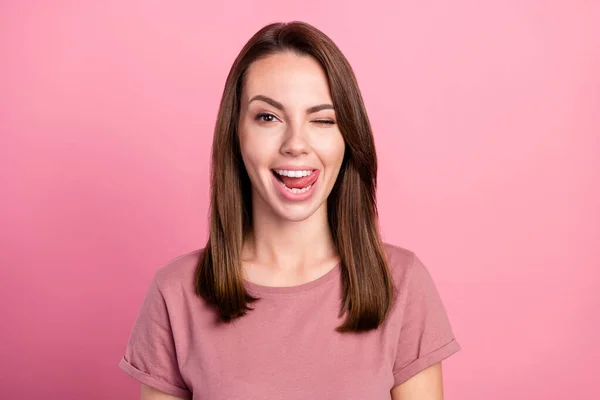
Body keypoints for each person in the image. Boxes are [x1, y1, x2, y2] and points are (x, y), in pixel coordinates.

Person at [118, 21, 460, 400]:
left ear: (348, 137)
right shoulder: (175, 293)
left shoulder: (403, 284)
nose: (296, 143)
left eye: (323, 119)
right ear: (236, 133)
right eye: (269, 117)